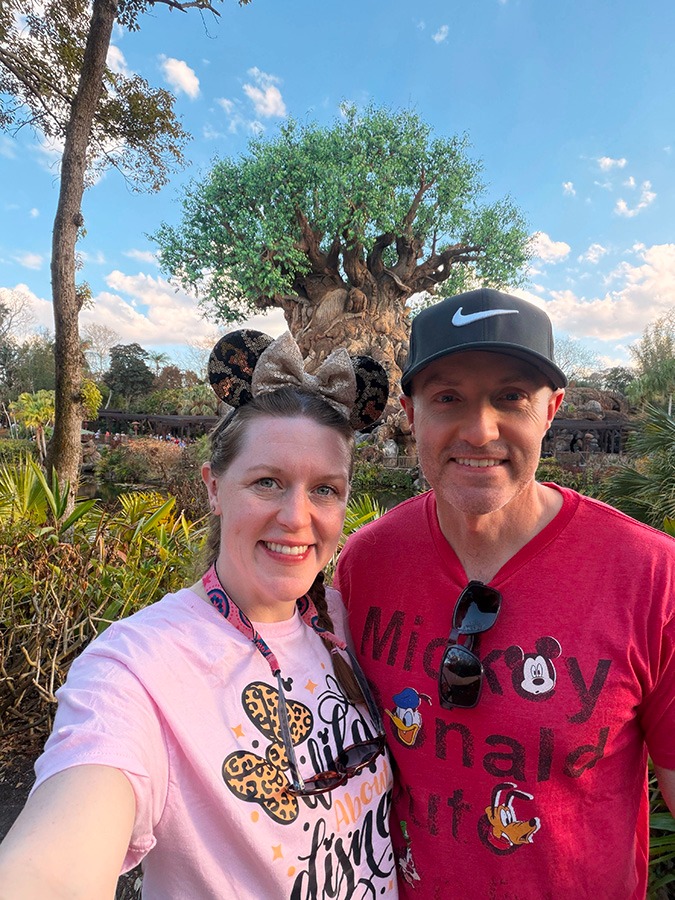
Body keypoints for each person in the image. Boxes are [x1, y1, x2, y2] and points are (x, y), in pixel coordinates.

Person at [0, 329, 397, 899]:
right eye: (267, 482)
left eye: (325, 490)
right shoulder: (137, 668)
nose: (297, 517)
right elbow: (56, 858)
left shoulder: (346, 620)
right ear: (214, 487)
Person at [334, 288, 675, 898]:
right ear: (411, 413)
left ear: (551, 410)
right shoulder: (367, 562)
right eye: (448, 398)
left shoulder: (651, 575)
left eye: (511, 397)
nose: (479, 430)